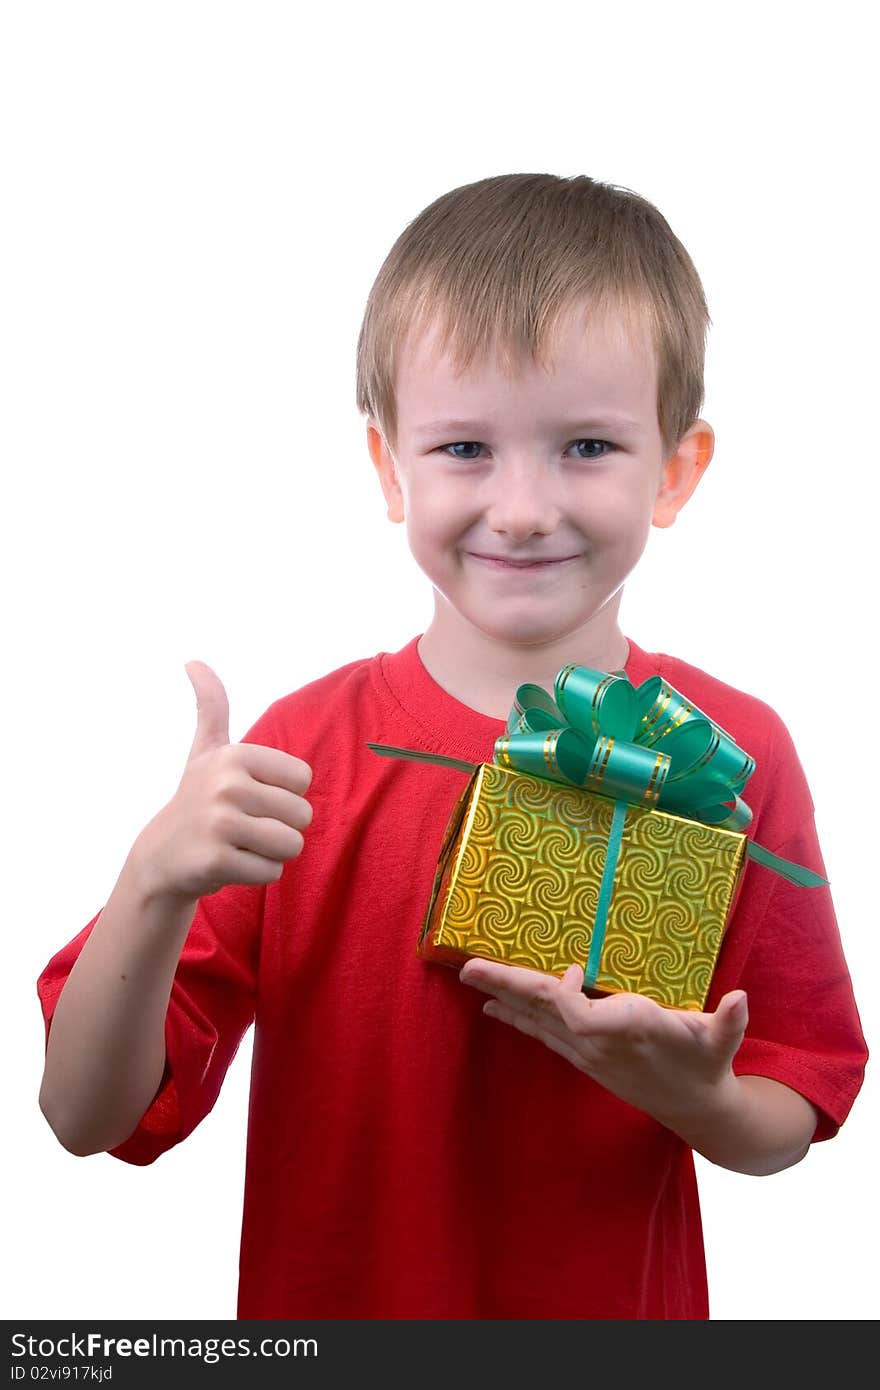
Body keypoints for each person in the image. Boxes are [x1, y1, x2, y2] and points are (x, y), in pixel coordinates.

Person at [37, 173, 867, 1320]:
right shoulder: (301, 757)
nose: (522, 507)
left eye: (585, 444)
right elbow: (86, 1118)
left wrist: (701, 1099)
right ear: (389, 467)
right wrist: (150, 880)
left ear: (675, 468)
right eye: (465, 446)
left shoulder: (736, 754)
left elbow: (794, 1104)